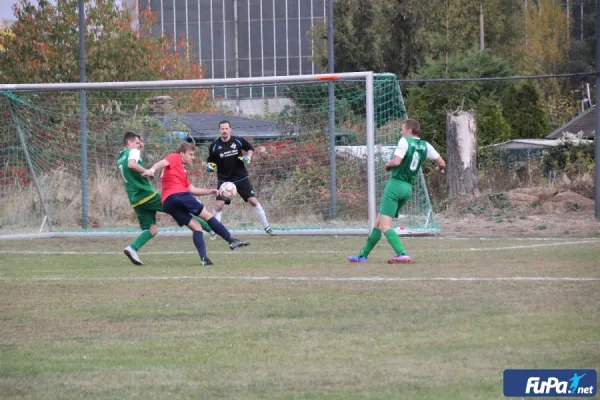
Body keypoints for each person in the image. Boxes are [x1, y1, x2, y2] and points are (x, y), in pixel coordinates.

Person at [349, 119, 446, 264]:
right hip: (407, 189)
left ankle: (402, 253)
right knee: (378, 223)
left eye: (402, 129)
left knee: (385, 225)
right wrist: (440, 171)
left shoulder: (404, 141)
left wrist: (388, 165)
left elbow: (396, 161)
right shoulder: (426, 145)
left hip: (395, 186)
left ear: (409, 130)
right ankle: (363, 256)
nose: (401, 132)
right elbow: (442, 163)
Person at [117, 132, 217, 266]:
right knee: (181, 208)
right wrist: (146, 171)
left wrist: (141, 148)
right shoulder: (133, 152)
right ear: (130, 143)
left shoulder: (120, 156)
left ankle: (132, 248)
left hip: (135, 199)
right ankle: (210, 228)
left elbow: (130, 162)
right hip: (146, 194)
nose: (139, 145)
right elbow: (132, 164)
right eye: (137, 143)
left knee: (152, 229)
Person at [144, 142, 249, 266]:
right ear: (182, 154)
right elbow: (162, 162)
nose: (193, 157)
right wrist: (152, 169)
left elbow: (193, 190)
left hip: (168, 202)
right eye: (190, 154)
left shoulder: (181, 171)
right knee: (208, 216)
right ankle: (231, 240)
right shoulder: (175, 157)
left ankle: (204, 259)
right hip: (180, 195)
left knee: (197, 227)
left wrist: (210, 191)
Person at [205, 120, 275, 236]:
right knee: (219, 205)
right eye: (222, 129)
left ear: (230, 129)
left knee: (253, 201)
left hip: (241, 177)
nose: (224, 131)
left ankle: (267, 227)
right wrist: (209, 166)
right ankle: (214, 231)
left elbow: (250, 148)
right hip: (224, 180)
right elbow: (211, 161)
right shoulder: (214, 146)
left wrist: (248, 157)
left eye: (226, 129)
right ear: (219, 130)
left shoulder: (238, 140)